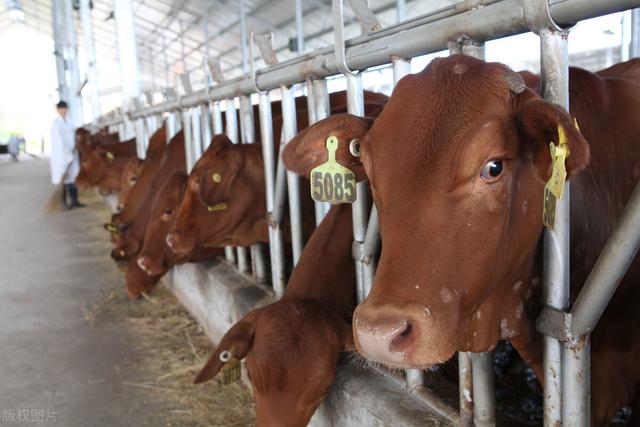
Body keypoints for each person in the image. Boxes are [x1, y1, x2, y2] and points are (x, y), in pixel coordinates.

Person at [49, 101, 84, 209]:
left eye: (65, 108)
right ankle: (63, 203)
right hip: (61, 156)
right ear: (58, 110)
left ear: (67, 109)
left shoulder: (70, 122)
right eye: (61, 109)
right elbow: (58, 142)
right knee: (63, 180)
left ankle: (74, 201)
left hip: (73, 153)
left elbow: (74, 137)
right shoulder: (56, 124)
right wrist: (67, 155)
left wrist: (75, 149)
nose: (63, 110)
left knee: (73, 178)